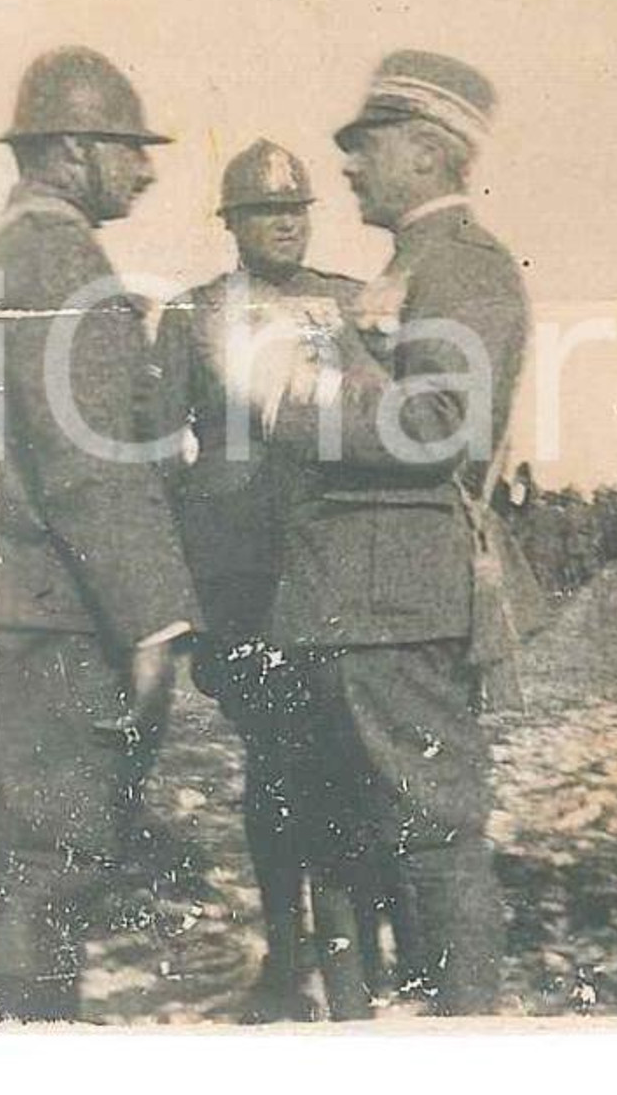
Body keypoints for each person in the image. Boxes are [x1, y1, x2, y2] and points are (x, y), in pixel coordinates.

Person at [241, 51, 545, 1017]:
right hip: (349, 601)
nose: (351, 168)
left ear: (425, 150)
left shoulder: (466, 267)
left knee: (437, 841)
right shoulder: (414, 266)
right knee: (341, 833)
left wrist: (295, 398)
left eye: (366, 146)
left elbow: (441, 425)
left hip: (397, 602)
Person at [0, 47, 203, 1022]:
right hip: (56, 610)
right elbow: (92, 464)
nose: (146, 169)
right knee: (52, 860)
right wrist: (154, 618)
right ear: (73, 148)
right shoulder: (63, 255)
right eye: (129, 148)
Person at [148, 138, 373, 1020]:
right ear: (232, 223)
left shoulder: (351, 304)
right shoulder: (196, 313)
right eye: (264, 211)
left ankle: (356, 964)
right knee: (277, 767)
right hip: (245, 575)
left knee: (354, 761)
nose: (285, 222)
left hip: (342, 561)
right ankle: (287, 958)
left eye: (296, 208)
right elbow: (164, 450)